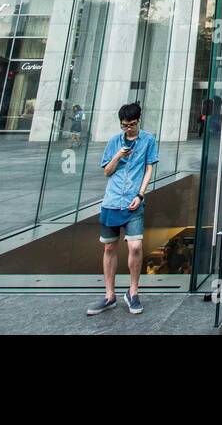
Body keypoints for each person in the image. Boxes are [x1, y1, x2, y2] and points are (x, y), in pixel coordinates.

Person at [87, 102, 159, 317]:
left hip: (133, 201)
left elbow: (149, 169)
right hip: (112, 200)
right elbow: (107, 172)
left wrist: (141, 194)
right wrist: (118, 155)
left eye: (132, 124)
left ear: (139, 121)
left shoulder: (148, 140)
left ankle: (133, 292)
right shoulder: (113, 142)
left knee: (135, 246)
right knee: (109, 248)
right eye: (125, 125)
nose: (128, 128)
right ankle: (109, 295)